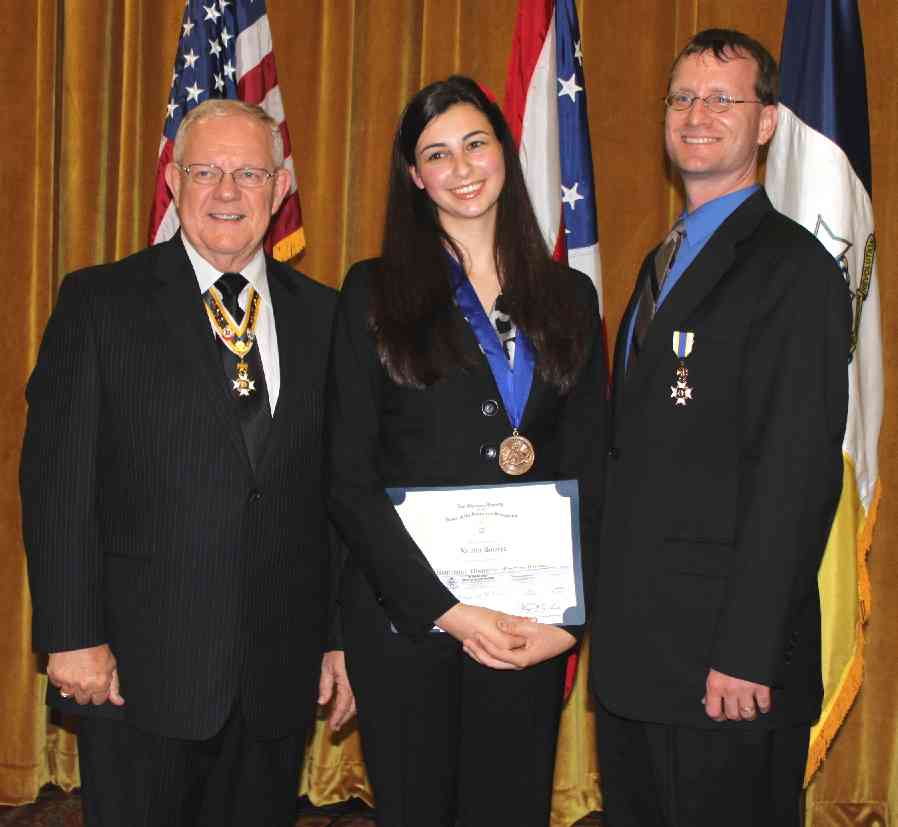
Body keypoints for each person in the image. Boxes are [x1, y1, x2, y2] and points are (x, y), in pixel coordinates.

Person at [20, 99, 354, 827]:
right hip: (136, 671)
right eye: (206, 172)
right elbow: (57, 483)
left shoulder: (328, 317)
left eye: (248, 173)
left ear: (279, 187)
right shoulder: (99, 302)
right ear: (174, 181)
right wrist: (71, 634)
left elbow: (337, 496)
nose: (227, 191)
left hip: (276, 675)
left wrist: (338, 637)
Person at [327, 76, 607, 826]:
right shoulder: (371, 293)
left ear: (504, 153)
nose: (461, 167)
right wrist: (446, 610)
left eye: (475, 143)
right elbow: (347, 478)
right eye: (437, 154)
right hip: (406, 622)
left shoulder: (570, 297)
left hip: (525, 624)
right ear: (415, 177)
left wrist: (568, 622)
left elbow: (593, 466)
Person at [585, 29, 849, 826]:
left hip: (725, 672)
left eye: (722, 98)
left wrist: (746, 650)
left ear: (765, 122)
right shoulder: (663, 260)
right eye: (682, 97)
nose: (696, 114)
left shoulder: (794, 270)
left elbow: (796, 476)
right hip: (640, 663)